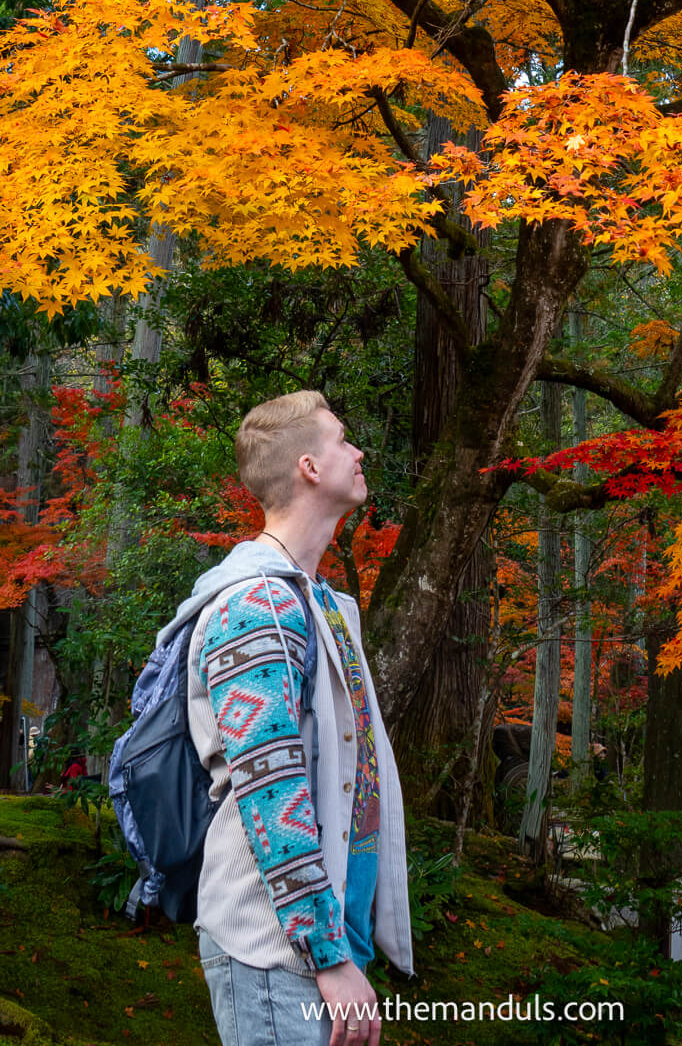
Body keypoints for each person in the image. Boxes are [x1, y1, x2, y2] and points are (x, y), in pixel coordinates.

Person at [181, 389, 411, 1046]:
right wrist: (326, 957)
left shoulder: (324, 607)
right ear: (309, 466)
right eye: (342, 439)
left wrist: (346, 948)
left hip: (329, 945)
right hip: (277, 951)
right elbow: (271, 789)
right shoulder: (254, 605)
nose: (358, 450)